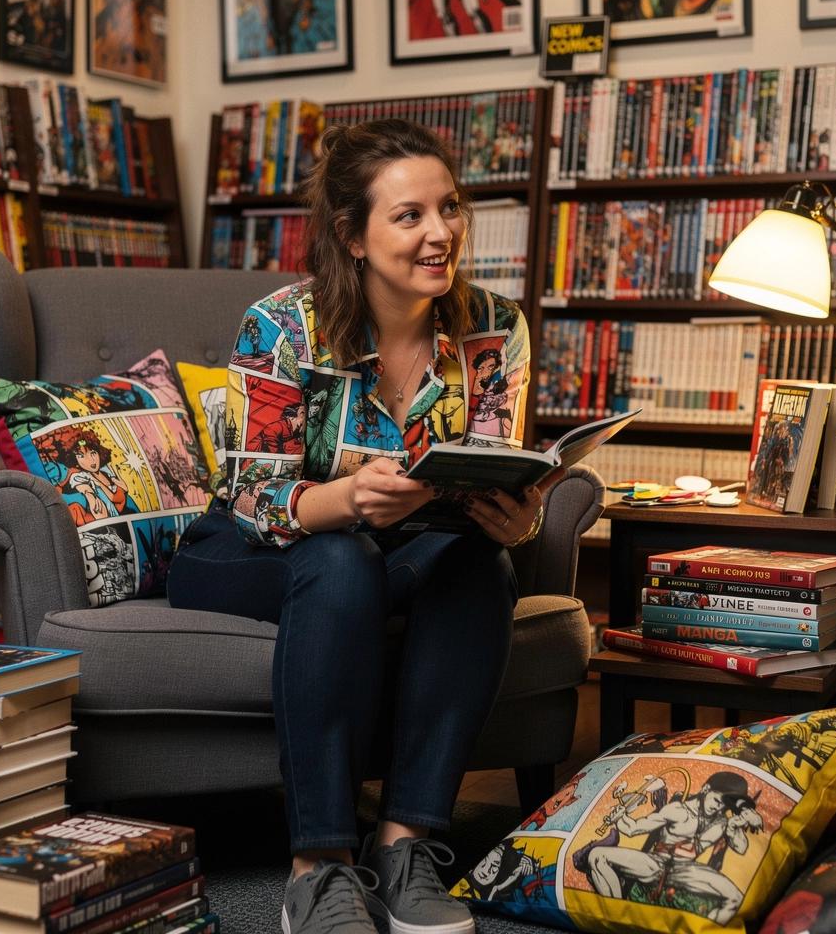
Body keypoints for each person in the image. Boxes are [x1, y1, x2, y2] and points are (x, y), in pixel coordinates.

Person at [167, 118, 562, 934]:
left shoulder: (494, 328)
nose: (440, 233)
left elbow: (495, 465)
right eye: (409, 216)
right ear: (352, 234)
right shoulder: (282, 325)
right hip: (250, 548)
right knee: (343, 560)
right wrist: (346, 501)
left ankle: (407, 844)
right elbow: (255, 496)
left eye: (449, 209)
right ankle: (318, 867)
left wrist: (517, 518)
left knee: (479, 565)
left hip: (405, 551)